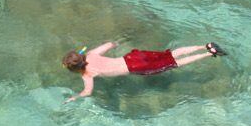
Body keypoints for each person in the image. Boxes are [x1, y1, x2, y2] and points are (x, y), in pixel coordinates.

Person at [62, 42, 227, 103]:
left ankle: (208, 53)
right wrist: (118, 43)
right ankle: (204, 46)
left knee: (173, 63)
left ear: (75, 69)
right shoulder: (91, 54)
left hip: (135, 68)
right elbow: (110, 44)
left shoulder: (87, 74)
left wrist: (74, 97)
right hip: (132, 57)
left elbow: (88, 91)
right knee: (169, 55)